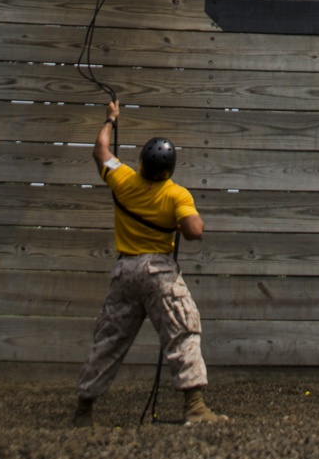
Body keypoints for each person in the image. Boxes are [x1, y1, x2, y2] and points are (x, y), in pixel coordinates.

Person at [74, 99, 225, 426]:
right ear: (169, 169)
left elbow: (100, 149)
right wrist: (182, 222)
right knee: (183, 331)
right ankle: (195, 408)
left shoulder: (123, 180)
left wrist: (111, 119)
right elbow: (195, 231)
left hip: (125, 271)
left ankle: (84, 410)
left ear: (141, 162)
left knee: (110, 339)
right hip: (160, 273)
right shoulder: (176, 195)